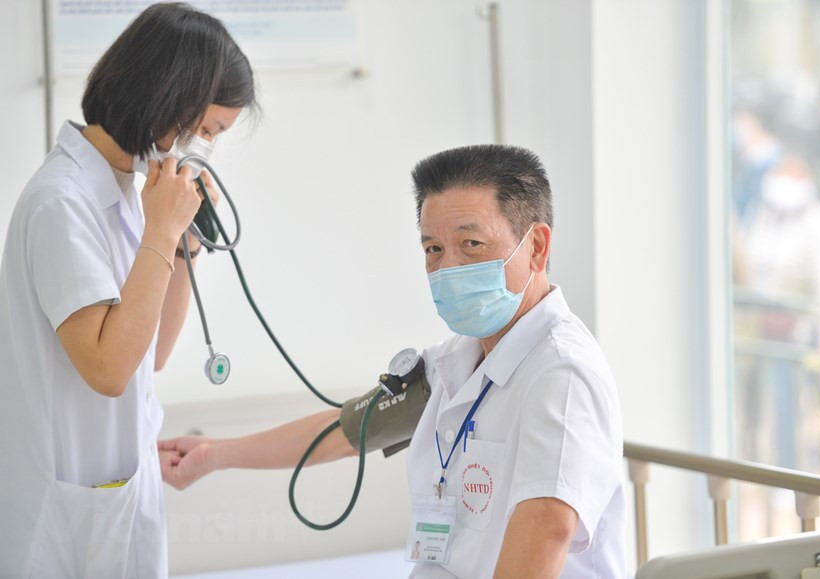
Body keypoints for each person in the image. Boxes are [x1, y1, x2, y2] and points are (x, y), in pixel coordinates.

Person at [161, 145, 626, 578]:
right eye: (433, 249)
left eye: (472, 245)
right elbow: (349, 431)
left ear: (538, 247)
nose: (448, 269)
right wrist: (213, 456)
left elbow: (549, 525)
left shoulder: (560, 372)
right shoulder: (454, 364)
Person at [0, 3, 256, 577]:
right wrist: (162, 230)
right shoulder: (62, 202)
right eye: (208, 131)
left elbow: (153, 349)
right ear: (170, 98)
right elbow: (110, 368)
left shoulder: (129, 192)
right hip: (64, 518)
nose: (205, 150)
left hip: (115, 493)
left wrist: (184, 243)